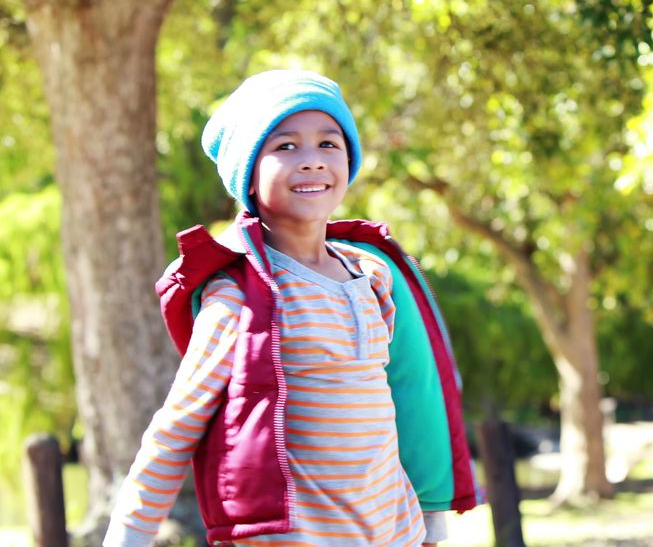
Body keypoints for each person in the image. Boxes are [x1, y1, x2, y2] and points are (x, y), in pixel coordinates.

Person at [104, 70, 478, 546]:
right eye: (285, 147)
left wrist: (430, 524)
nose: (312, 162)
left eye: (328, 144)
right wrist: (128, 535)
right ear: (249, 177)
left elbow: (404, 400)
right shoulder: (242, 294)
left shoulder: (373, 277)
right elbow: (179, 424)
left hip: (392, 532)